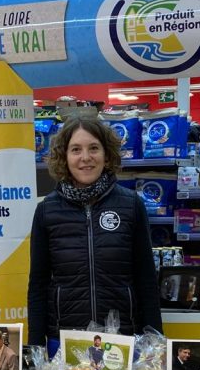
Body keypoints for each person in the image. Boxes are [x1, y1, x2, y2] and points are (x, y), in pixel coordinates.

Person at [27, 117, 163, 354]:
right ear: (64, 157)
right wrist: (36, 348)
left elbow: (146, 280)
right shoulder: (47, 211)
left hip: (123, 339)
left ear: (107, 155)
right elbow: (38, 285)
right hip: (65, 341)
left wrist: (155, 342)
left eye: (93, 148)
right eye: (76, 150)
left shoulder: (131, 205)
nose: (85, 157)